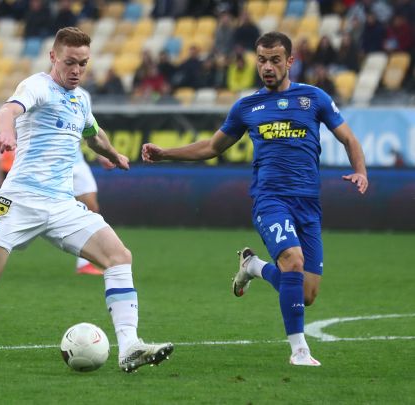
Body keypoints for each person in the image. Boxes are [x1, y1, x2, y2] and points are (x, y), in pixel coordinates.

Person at [0, 27, 173, 373]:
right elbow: (6, 112)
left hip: (62, 205)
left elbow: (93, 134)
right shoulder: (37, 86)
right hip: (19, 200)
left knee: (119, 256)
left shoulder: (81, 99)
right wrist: (6, 132)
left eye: (83, 63)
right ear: (53, 57)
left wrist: (113, 155)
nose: (76, 70)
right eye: (70, 62)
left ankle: (129, 347)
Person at [142, 31, 368, 367]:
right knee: (293, 261)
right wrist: (165, 154)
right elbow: (211, 147)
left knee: (306, 293)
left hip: (308, 203)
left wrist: (360, 171)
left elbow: (348, 138)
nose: (267, 67)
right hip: (270, 200)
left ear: (290, 62)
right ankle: (299, 350)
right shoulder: (246, 107)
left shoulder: (314, 98)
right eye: (262, 60)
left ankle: (253, 266)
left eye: (275, 60)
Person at [0, 146, 110, 275]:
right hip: (51, 163)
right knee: (30, 211)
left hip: (76, 161)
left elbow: (88, 134)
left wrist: (102, 153)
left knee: (91, 208)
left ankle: (84, 264)